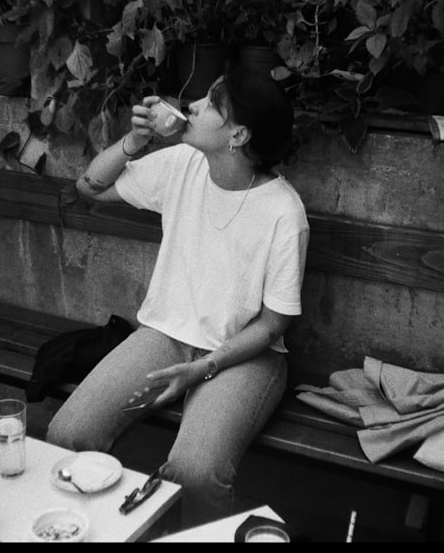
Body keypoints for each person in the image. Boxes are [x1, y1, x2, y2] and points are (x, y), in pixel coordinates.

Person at [45, 66, 310, 528]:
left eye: (210, 105)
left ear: (238, 134)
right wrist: (133, 142)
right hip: (166, 334)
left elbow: (272, 326)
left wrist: (203, 367)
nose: (192, 107)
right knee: (67, 434)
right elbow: (90, 188)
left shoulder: (284, 213)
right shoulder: (182, 166)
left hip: (245, 355)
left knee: (195, 471)